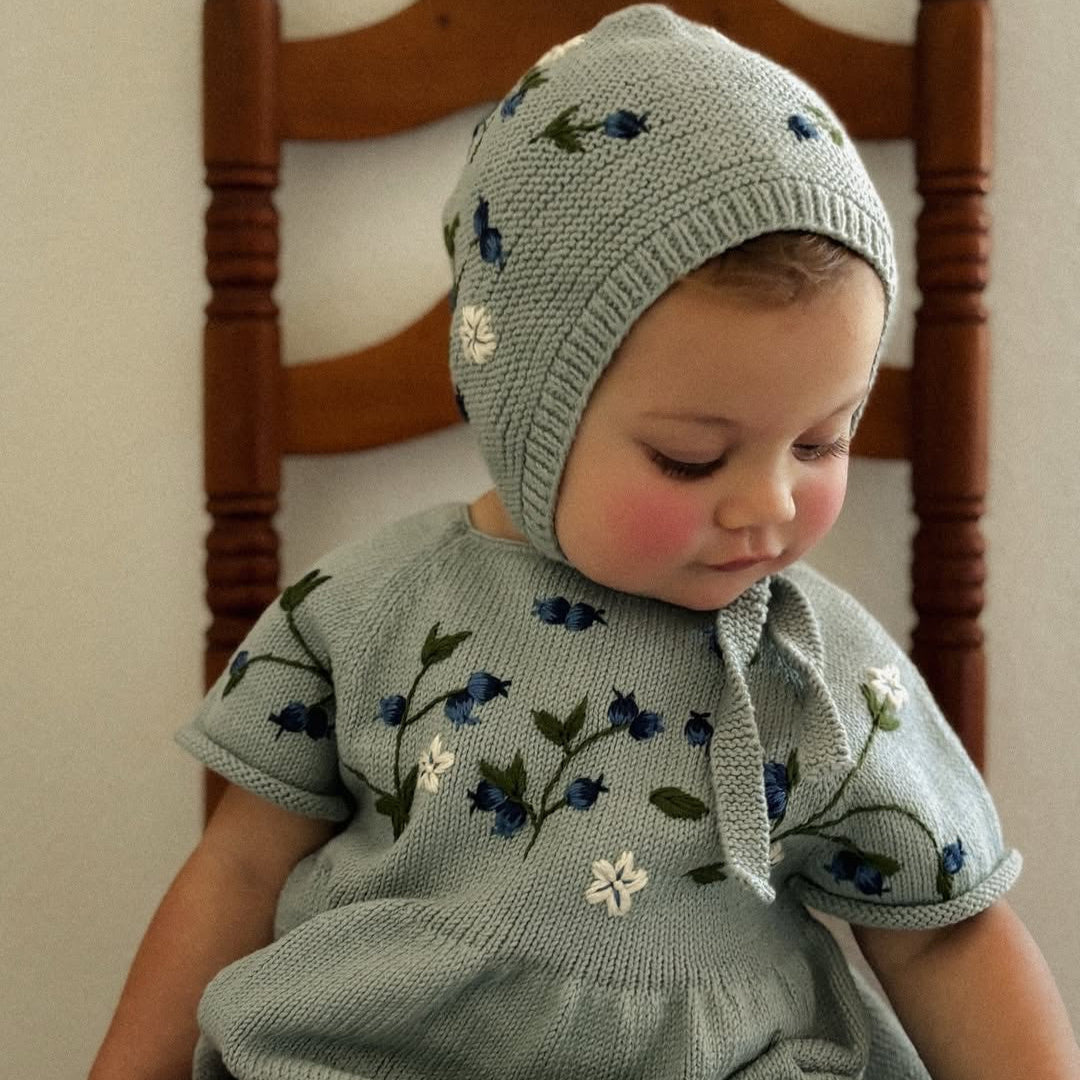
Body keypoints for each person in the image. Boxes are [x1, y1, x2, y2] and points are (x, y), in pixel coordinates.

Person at [90, 6, 1080, 1079]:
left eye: (821, 439)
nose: (770, 508)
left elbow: (944, 937)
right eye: (692, 459)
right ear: (525, 410)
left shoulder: (818, 673)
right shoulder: (367, 611)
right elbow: (237, 870)